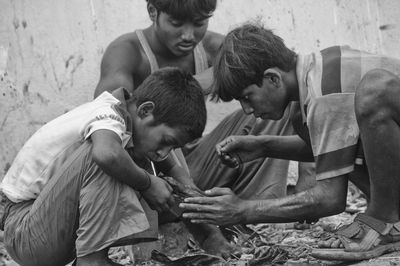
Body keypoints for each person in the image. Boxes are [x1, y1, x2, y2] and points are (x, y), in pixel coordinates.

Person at [94, 0, 314, 257]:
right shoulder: (127, 52)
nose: (188, 35)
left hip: (192, 171)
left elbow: (285, 76)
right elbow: (109, 117)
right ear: (153, 12)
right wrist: (181, 88)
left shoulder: (212, 47)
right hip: (151, 177)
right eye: (176, 24)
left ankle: (256, 210)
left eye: (199, 23)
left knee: (270, 107)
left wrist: (308, 172)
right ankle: (195, 220)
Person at [180, 23, 400, 261]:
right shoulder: (313, 79)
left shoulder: (324, 91)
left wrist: (241, 210)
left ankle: (384, 219)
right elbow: (334, 145)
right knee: (300, 122)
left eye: (246, 97)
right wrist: (263, 146)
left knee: (374, 90)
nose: (247, 109)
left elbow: (330, 198)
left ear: (273, 78)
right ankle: (387, 218)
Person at [0, 67, 207, 266]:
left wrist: (191, 193)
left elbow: (168, 163)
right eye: (166, 141)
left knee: (131, 154)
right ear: (145, 110)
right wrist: (147, 183)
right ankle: (91, 261)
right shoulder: (108, 115)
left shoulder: (131, 124)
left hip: (51, 234)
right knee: (109, 155)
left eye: (173, 147)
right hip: (23, 229)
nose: (163, 152)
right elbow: (106, 155)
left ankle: (95, 257)